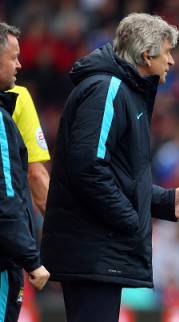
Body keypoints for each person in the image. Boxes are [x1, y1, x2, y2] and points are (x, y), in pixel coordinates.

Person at [41, 13, 179, 322]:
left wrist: (164, 201)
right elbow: (88, 168)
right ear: (147, 54)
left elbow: (118, 176)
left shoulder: (125, 91)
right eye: (168, 51)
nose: (172, 61)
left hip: (99, 248)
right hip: (93, 249)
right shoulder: (107, 90)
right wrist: (130, 220)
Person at [0, 22, 50, 322]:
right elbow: (33, 177)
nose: (20, 64)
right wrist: (34, 257)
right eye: (14, 56)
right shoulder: (13, 104)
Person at [7, 85, 50, 215]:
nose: (19, 64)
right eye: (13, 62)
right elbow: (36, 174)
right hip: (9, 216)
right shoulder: (18, 95)